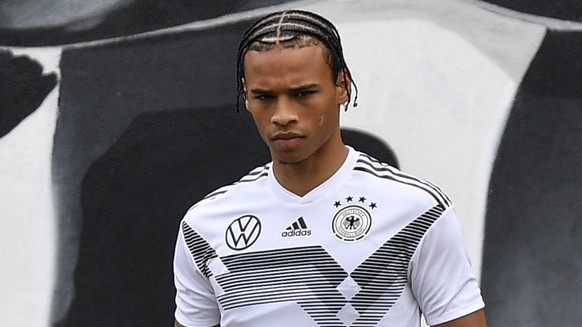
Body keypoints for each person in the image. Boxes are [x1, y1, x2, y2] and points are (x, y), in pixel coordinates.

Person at [173, 9, 486, 327]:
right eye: (265, 96)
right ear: (246, 97)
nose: (283, 114)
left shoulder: (416, 210)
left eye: (303, 93)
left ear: (342, 86)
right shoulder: (204, 225)